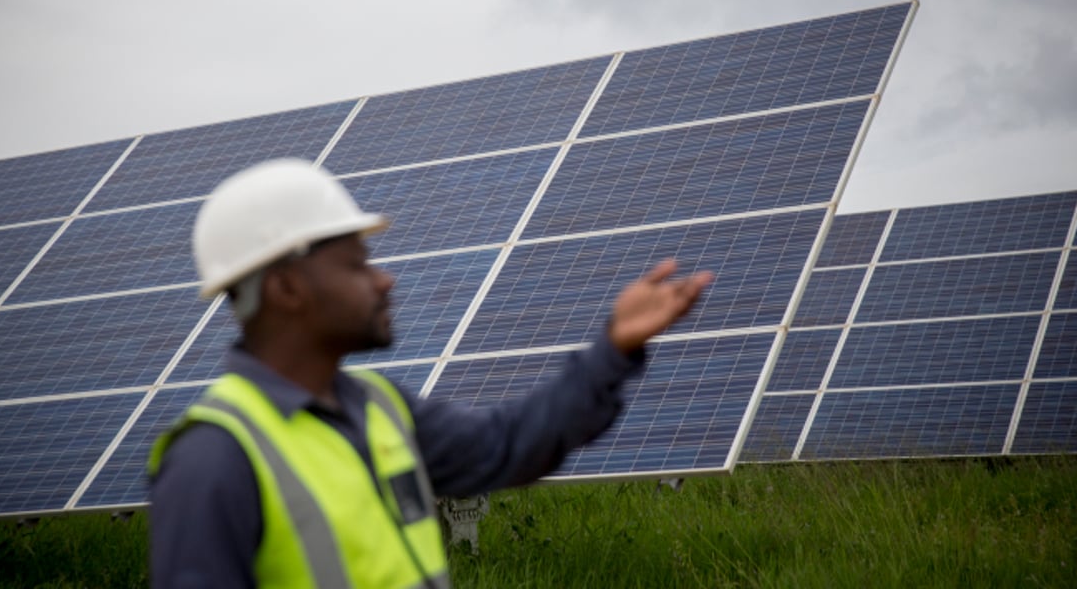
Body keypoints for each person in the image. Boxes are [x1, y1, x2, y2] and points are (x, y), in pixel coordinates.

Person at [148, 158, 712, 589]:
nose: (383, 280)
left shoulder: (378, 407)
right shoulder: (213, 460)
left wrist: (611, 351)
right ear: (287, 289)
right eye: (356, 265)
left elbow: (508, 445)